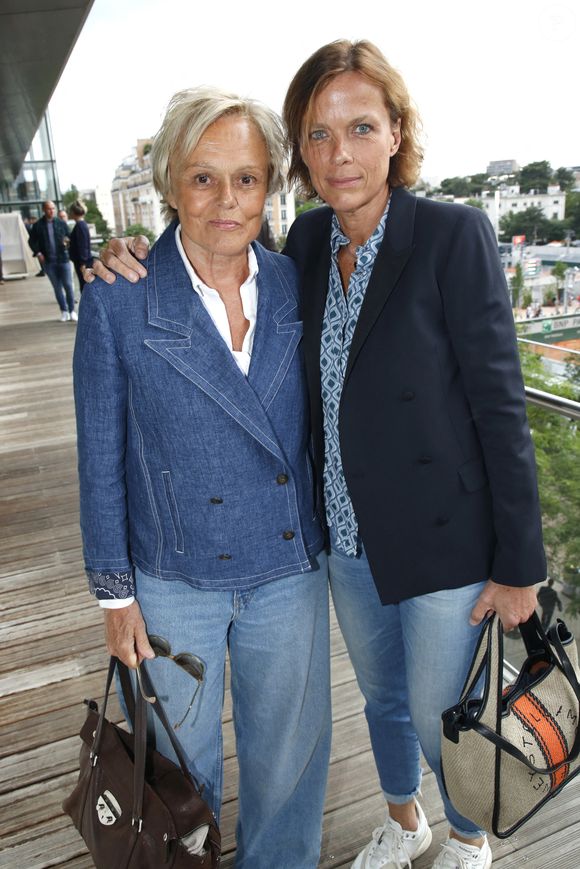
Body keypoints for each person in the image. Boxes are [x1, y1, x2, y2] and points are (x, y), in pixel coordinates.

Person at [89, 40, 546, 869]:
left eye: (362, 127)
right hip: (337, 544)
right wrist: (124, 260)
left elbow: (501, 406)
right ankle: (405, 821)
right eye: (319, 134)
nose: (341, 153)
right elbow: (116, 435)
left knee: (444, 711)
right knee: (380, 701)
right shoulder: (303, 247)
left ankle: (468, 841)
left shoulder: (445, 235)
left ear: (397, 133)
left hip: (431, 539)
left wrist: (521, 562)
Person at [73, 87, 330, 869]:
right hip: (172, 576)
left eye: (247, 179)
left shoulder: (294, 283)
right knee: (180, 776)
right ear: (170, 183)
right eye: (204, 178)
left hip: (288, 567)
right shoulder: (121, 299)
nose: (227, 200)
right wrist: (116, 598)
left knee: (288, 768)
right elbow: (100, 454)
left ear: (271, 186)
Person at [28, 200, 76, 321]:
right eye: (49, 209)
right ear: (44, 210)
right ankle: (64, 311)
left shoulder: (61, 223)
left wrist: (67, 243)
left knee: (69, 286)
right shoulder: (38, 225)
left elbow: (70, 237)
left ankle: (72, 310)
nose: (52, 211)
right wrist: (38, 253)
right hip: (49, 262)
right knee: (57, 287)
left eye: (53, 208)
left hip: (63, 259)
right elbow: (31, 241)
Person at [68, 200, 94, 293]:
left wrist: (83, 264)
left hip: (82, 263)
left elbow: (83, 246)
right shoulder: (82, 225)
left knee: (84, 287)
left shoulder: (80, 226)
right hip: (83, 261)